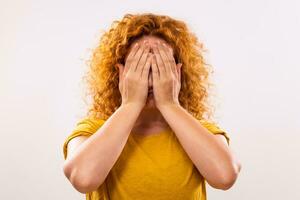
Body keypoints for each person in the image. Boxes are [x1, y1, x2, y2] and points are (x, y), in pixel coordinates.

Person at [62, 13, 242, 200]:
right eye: (139, 67)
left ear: (178, 73)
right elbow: (82, 178)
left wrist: (169, 103)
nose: (150, 80)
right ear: (120, 73)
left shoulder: (198, 132)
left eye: (160, 67)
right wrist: (131, 104)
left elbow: (225, 176)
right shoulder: (93, 131)